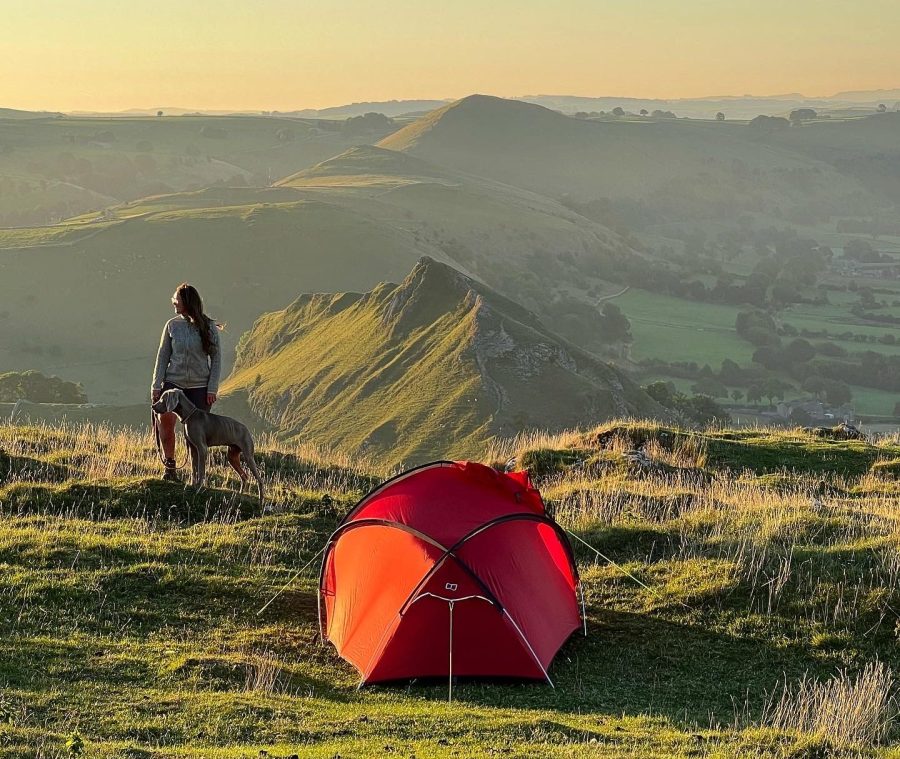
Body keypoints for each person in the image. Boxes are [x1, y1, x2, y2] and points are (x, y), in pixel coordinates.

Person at [151, 283, 222, 481]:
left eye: (177, 299)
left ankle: (196, 476)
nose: (174, 302)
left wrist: (212, 388)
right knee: (165, 424)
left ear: (187, 302)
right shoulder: (172, 325)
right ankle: (170, 467)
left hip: (200, 386)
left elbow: (216, 359)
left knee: (195, 434)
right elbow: (163, 356)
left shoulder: (208, 327)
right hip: (173, 383)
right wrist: (156, 386)